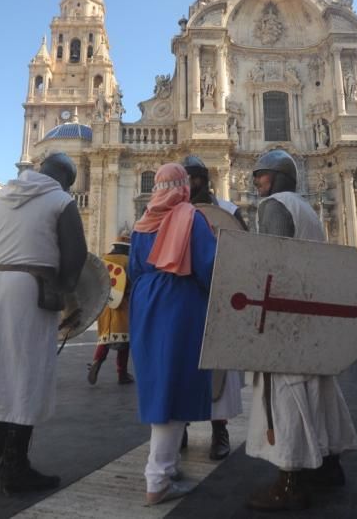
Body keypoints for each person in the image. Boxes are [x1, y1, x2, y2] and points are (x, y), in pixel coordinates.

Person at [0, 152, 87, 495]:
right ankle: (15, 466)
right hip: (33, 289)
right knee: (26, 373)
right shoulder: (61, 201)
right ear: (66, 180)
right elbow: (75, 256)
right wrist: (68, 294)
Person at [245, 149, 357, 511]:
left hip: (286, 314)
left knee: (286, 394)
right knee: (318, 389)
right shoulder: (307, 209)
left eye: (262, 175)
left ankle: (289, 481)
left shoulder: (274, 206)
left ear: (278, 178)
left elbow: (274, 261)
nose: (257, 182)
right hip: (310, 314)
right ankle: (328, 465)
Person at [128, 163, 217, 505]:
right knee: (174, 383)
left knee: (157, 379)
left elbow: (135, 268)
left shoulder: (142, 222)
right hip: (179, 301)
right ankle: (158, 478)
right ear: (182, 187)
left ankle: (168, 466)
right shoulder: (189, 217)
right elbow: (208, 265)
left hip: (146, 300)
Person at [181, 154, 244, 460]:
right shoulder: (173, 214)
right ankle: (179, 427)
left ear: (206, 181)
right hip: (183, 301)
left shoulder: (229, 211)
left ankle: (220, 430)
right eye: (186, 180)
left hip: (219, 301)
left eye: (195, 180)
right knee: (180, 366)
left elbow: (243, 248)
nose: (191, 186)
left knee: (220, 371)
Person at [88, 235, 133, 385]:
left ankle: (97, 360)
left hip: (106, 305)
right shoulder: (128, 261)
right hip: (123, 305)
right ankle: (122, 374)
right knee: (124, 342)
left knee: (105, 339)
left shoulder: (103, 259)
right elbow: (132, 283)